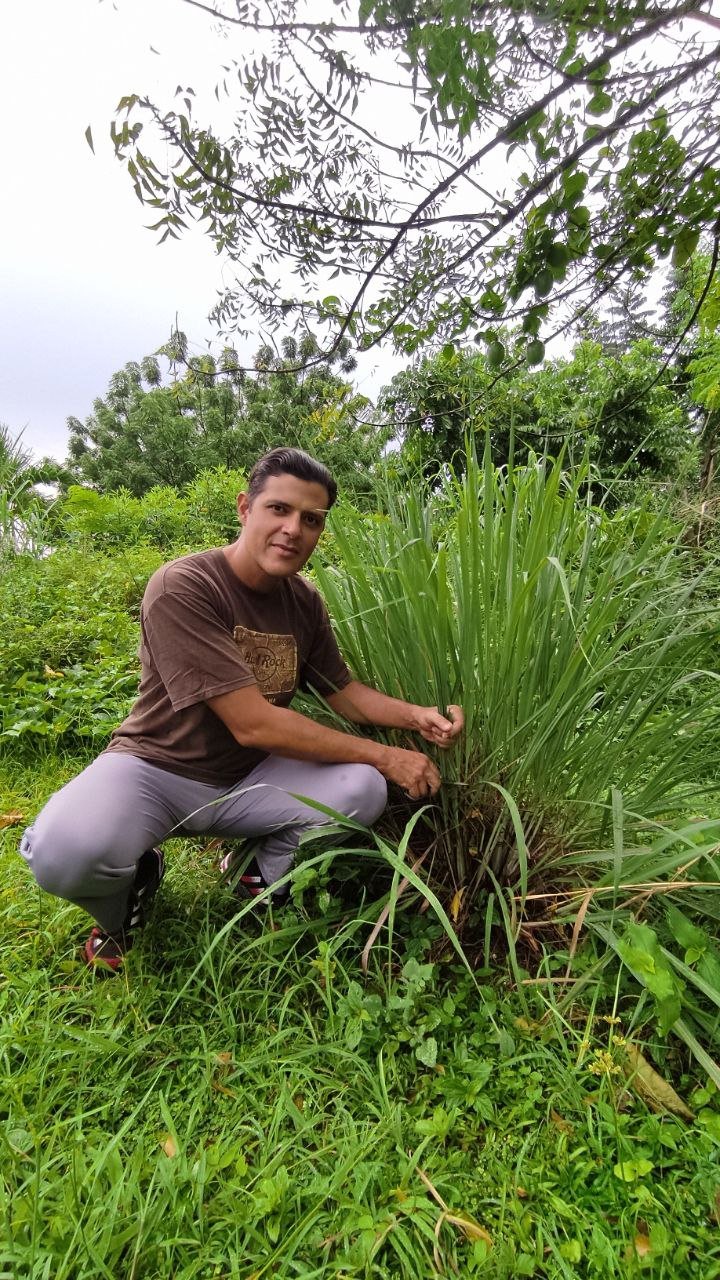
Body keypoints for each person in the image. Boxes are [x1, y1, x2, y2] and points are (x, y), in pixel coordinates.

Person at [20, 448, 463, 971]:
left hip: (250, 777)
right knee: (62, 854)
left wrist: (418, 717)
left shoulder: (303, 602)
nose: (293, 529)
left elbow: (341, 692)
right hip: (156, 770)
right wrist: (390, 758)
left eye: (311, 519)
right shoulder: (184, 586)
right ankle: (128, 900)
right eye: (279, 509)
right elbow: (252, 723)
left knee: (360, 790)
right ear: (245, 508)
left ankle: (253, 875)